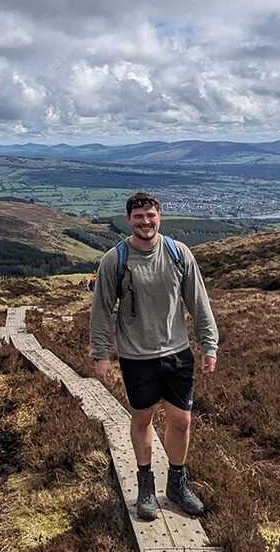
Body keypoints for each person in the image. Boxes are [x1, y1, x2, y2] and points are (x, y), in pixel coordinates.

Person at [90, 191, 219, 521]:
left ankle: (176, 482)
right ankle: (145, 485)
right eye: (138, 217)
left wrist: (209, 344)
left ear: (159, 217)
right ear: (128, 220)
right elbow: (102, 310)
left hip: (177, 352)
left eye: (150, 215)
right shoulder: (114, 260)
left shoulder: (179, 254)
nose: (145, 222)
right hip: (136, 356)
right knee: (143, 419)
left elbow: (198, 302)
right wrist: (100, 354)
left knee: (182, 420)